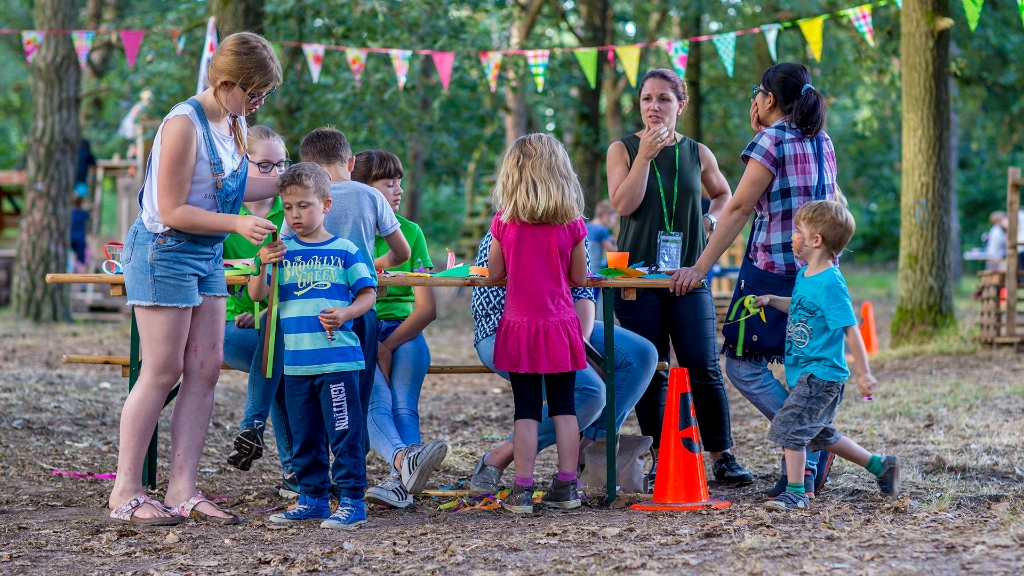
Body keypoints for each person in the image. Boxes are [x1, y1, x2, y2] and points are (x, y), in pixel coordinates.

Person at [109, 32, 282, 525]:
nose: (258, 103)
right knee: (162, 371)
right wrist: (237, 223)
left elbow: (236, 183)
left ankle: (183, 489)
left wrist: (306, 180)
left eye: (264, 95)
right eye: (254, 94)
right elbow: (172, 207)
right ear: (227, 82)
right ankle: (126, 491)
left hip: (204, 257)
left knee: (206, 368)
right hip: (164, 251)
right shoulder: (183, 124)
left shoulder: (232, 123)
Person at [672, 63, 840, 496]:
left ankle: (813, 446)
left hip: (773, 274)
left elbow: (738, 207)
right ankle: (807, 454)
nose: (754, 100)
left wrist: (699, 267)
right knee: (802, 370)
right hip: (818, 273)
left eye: (757, 92)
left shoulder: (772, 140)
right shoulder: (821, 141)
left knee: (742, 366)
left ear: (768, 99)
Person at [605, 68, 753, 486]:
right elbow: (624, 204)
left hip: (689, 276)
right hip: (635, 280)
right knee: (651, 369)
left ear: (680, 105)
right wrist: (645, 157)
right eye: (647, 98)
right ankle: (658, 454)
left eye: (664, 99)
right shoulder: (622, 149)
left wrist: (710, 217)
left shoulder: (697, 152)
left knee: (702, 365)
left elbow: (725, 194)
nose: (654, 106)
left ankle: (722, 455)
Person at [469, 230, 657, 495]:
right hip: (506, 329)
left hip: (558, 325)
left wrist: (580, 342)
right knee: (585, 395)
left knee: (641, 354)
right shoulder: (559, 225)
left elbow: (583, 291)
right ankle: (506, 461)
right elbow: (489, 302)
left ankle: (588, 455)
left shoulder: (550, 224)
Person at [252, 163, 377, 529]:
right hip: (295, 365)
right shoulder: (280, 250)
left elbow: (368, 295)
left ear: (326, 205)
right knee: (304, 436)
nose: (295, 215)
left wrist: (346, 313)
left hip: (337, 361)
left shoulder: (345, 250)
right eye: (288, 207)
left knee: (344, 432)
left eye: (304, 206)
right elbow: (259, 295)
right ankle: (313, 499)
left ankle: (353, 500)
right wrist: (261, 265)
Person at [753, 200, 899, 511]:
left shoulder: (832, 283)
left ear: (815, 240)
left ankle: (796, 492)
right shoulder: (806, 275)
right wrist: (770, 300)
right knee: (819, 434)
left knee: (790, 428)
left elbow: (852, 330)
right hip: (804, 372)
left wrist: (864, 373)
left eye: (797, 231)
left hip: (821, 375)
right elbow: (798, 305)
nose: (793, 236)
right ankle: (880, 466)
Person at [486, 133, 589, 514]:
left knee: (525, 411)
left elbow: (496, 271)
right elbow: (579, 278)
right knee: (564, 408)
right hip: (561, 326)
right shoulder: (573, 224)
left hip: (520, 327)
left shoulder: (504, 223)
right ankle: (566, 487)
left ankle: (522, 491)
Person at [293, 128, 411, 434]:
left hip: (311, 311)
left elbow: (285, 252)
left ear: (310, 169)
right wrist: (368, 265)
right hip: (360, 307)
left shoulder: (306, 202)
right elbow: (402, 252)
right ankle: (353, 471)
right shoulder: (371, 195)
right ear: (351, 162)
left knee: (310, 393)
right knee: (357, 396)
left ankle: (314, 474)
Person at [352, 150, 447, 508]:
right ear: (363, 191)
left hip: (405, 331)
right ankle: (405, 466)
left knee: (404, 406)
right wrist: (374, 343)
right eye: (388, 184)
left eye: (399, 182)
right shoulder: (348, 231)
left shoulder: (410, 232)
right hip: (362, 329)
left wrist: (388, 345)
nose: (398, 190)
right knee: (376, 402)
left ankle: (398, 482)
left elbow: (427, 309)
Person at [221, 126, 296, 496]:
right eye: (265, 165)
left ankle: (253, 428)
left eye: (282, 164)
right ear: (240, 163)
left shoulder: (295, 210)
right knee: (277, 357)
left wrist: (262, 307)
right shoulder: (221, 210)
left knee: (275, 343)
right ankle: (295, 473)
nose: (277, 174)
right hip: (222, 324)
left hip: (277, 322)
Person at [586, 200, 618, 270]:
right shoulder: (602, 230)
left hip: (584, 271)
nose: (614, 222)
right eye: (614, 218)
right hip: (594, 271)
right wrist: (618, 243)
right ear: (605, 215)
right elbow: (612, 251)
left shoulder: (587, 226)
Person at [70, 196, 90, 268]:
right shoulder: (83, 213)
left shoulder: (71, 213)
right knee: (81, 259)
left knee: (73, 254)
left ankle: (73, 269)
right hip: (80, 238)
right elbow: (92, 215)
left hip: (71, 236)